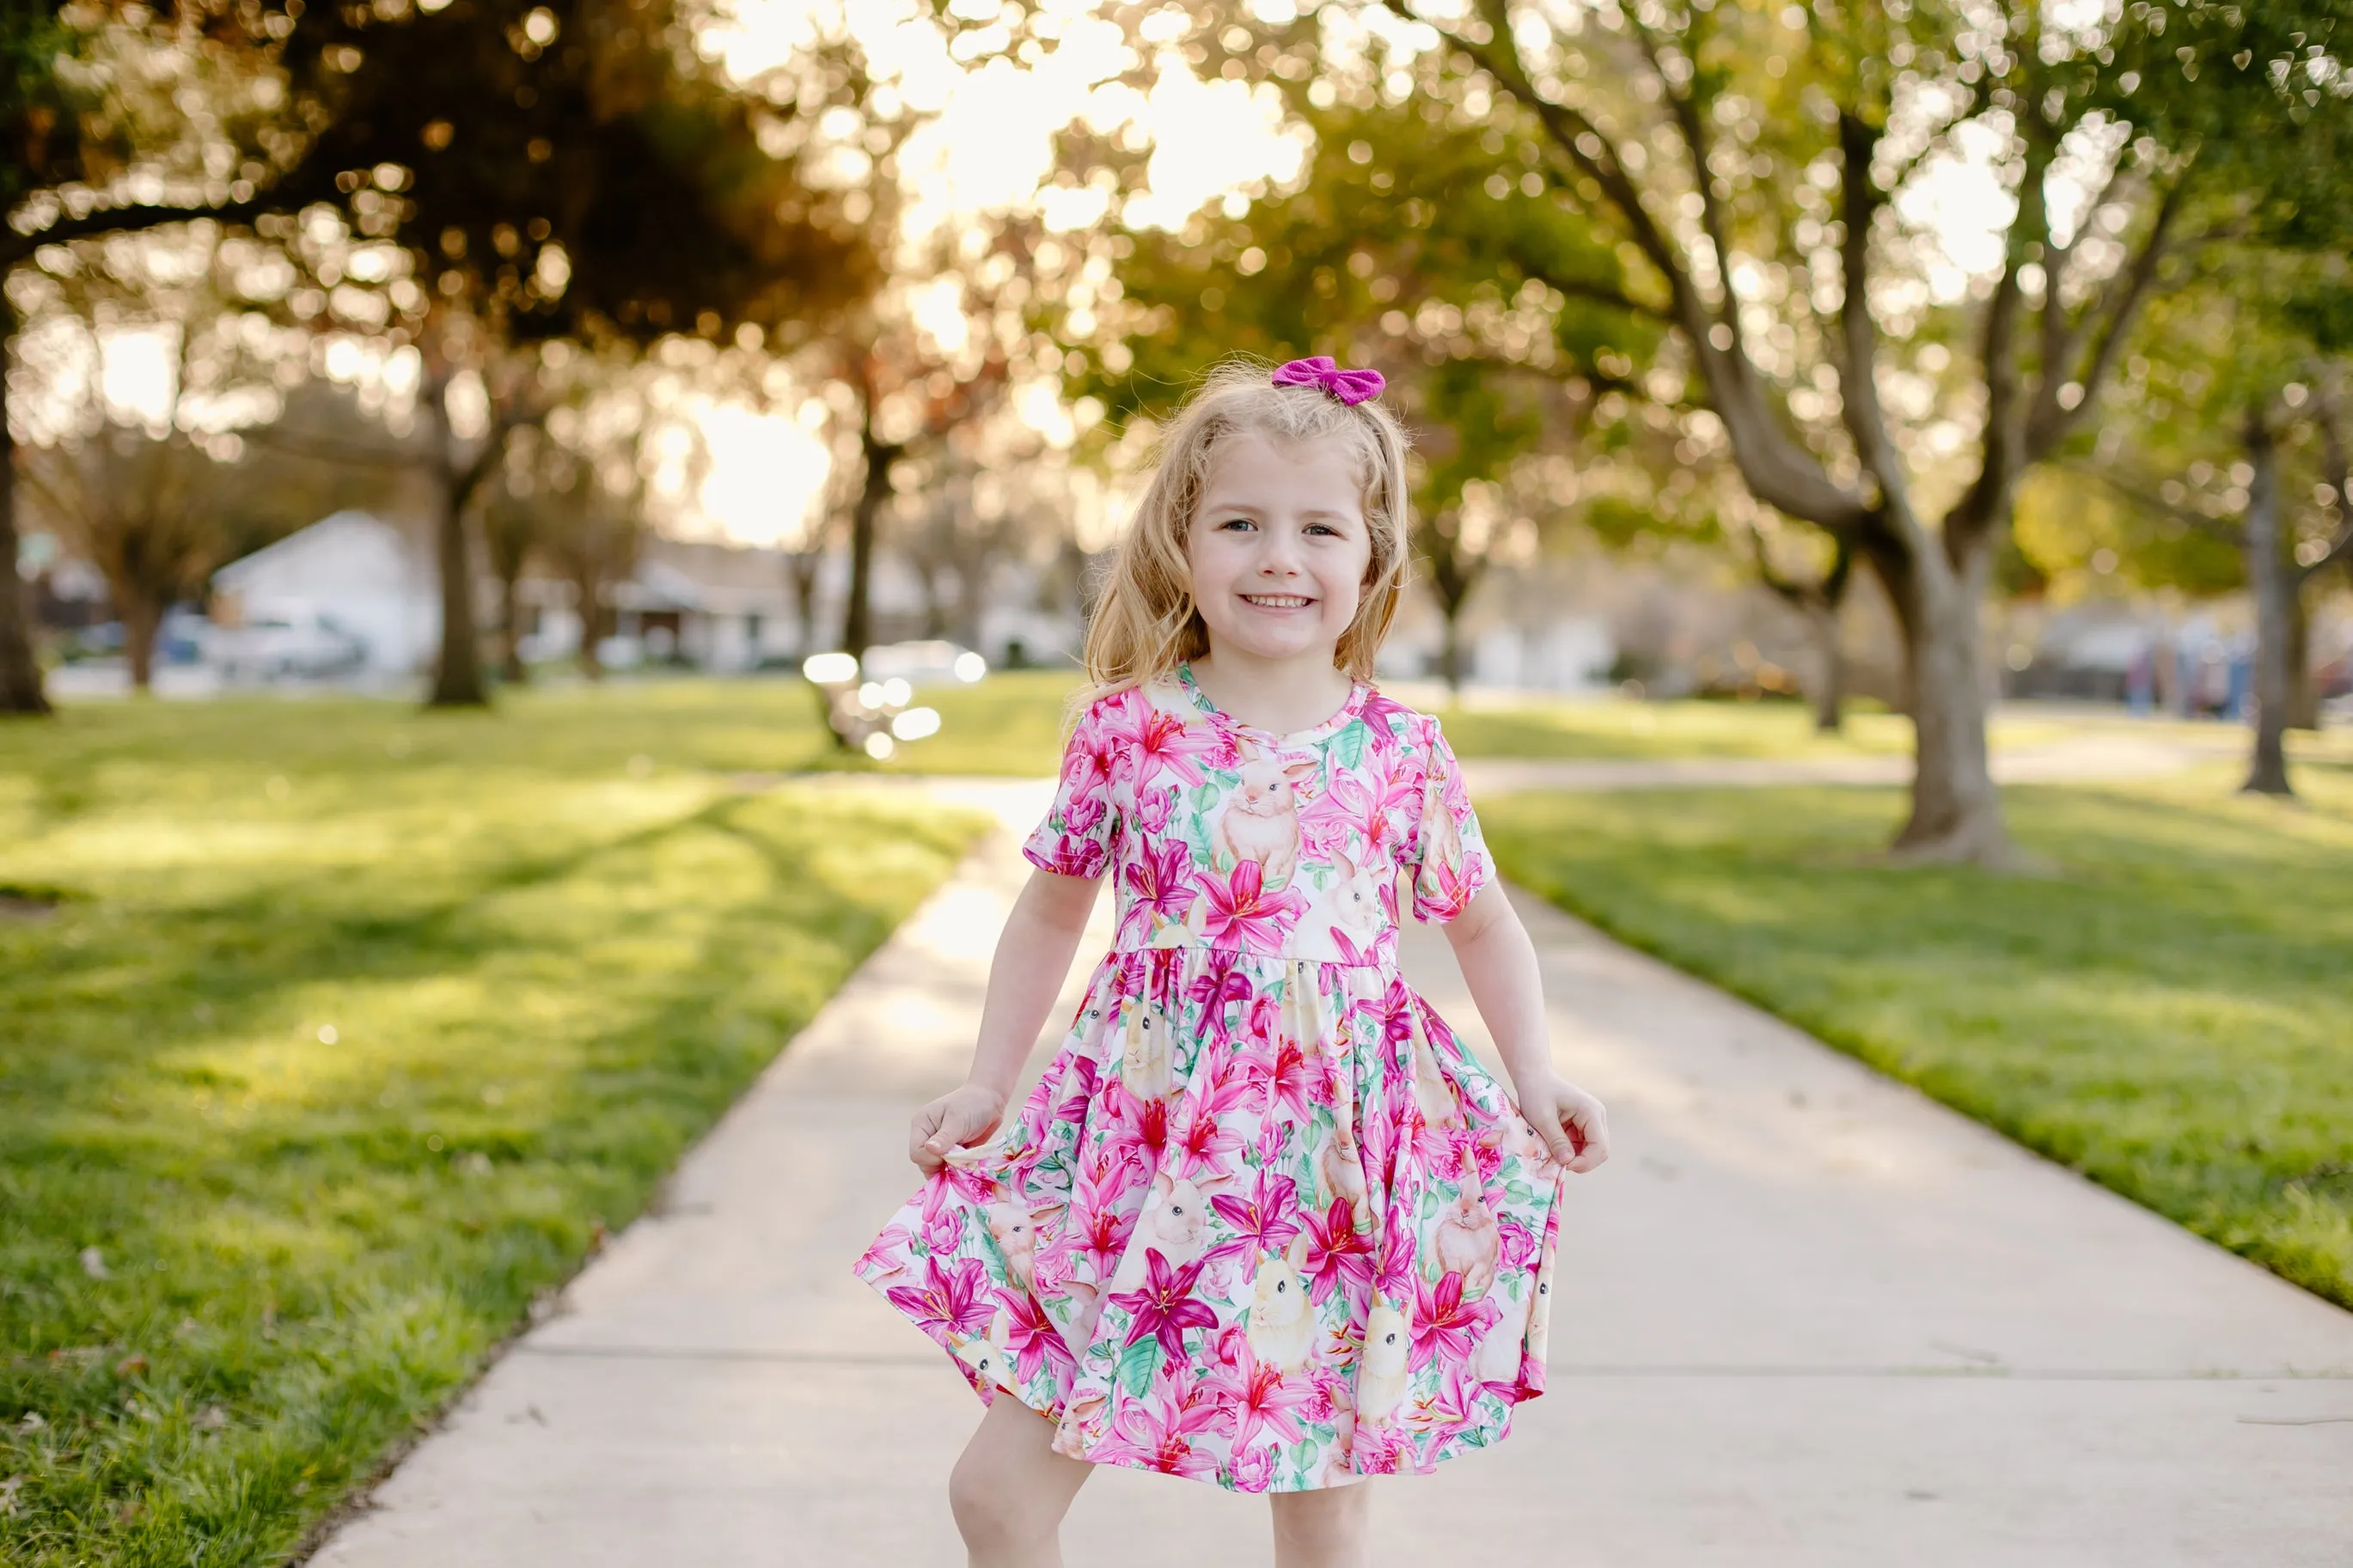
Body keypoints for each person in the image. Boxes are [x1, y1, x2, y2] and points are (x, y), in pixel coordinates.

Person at [853, 357, 1610, 1568]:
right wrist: (989, 1085)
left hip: (1329, 1183)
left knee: (1322, 1516)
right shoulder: (1128, 729)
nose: (1278, 558)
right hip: (1140, 1160)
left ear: (1368, 558)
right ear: (1183, 541)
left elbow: (1482, 924)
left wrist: (1536, 1078)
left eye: (1317, 529)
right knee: (996, 1498)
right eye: (1241, 524)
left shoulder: (1399, 753)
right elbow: (1048, 914)